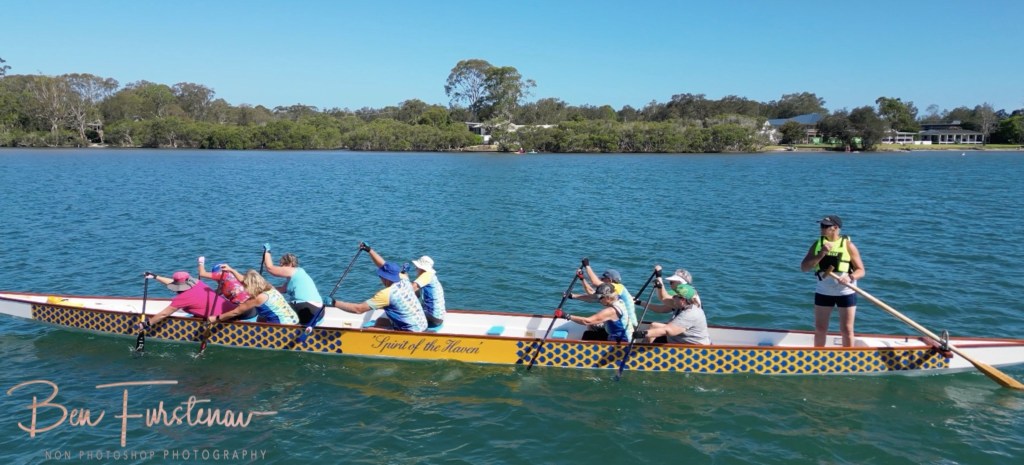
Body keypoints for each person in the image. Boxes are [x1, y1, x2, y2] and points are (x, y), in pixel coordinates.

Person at [800, 215, 866, 347]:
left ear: (835, 228)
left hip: (845, 291)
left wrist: (850, 277)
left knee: (846, 329)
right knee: (820, 329)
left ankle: (848, 358)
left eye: (825, 226)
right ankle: (818, 357)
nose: (822, 229)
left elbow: (861, 271)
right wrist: (821, 253)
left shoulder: (848, 245)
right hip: (824, 291)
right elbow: (804, 268)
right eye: (821, 226)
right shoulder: (817, 244)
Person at [327, 245, 427, 332]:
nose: (380, 278)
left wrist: (334, 303)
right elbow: (383, 265)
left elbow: (358, 309)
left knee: (368, 331)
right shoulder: (404, 278)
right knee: (380, 321)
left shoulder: (386, 294)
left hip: (411, 331)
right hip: (422, 324)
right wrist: (369, 250)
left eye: (381, 276)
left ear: (386, 278)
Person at [632, 265, 710, 345]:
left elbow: (663, 298)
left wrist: (659, 277)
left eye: (672, 282)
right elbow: (661, 309)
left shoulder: (690, 310)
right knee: (654, 326)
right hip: (680, 335)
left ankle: (642, 352)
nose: (670, 285)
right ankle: (643, 349)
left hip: (691, 346)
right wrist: (640, 302)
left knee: (654, 330)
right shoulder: (686, 300)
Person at [135, 270, 237, 329]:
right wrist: (156, 277)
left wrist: (146, 324)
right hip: (235, 309)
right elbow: (173, 282)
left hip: (224, 318)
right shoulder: (198, 283)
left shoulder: (182, 298)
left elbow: (164, 314)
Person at [209, 266, 299, 325]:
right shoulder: (270, 288)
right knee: (260, 318)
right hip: (294, 321)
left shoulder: (258, 298)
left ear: (250, 285)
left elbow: (235, 312)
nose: (244, 287)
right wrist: (232, 270)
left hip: (282, 327)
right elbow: (243, 280)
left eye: (245, 285)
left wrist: (216, 318)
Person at [262, 244, 323, 324]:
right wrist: (262, 289)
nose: (280, 267)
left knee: (268, 313)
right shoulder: (296, 278)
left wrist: (267, 252)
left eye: (282, 265)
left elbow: (270, 268)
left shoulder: (294, 270)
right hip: (318, 311)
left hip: (306, 307)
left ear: (290, 264)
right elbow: (280, 289)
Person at [574, 258, 637, 333]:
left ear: (610, 280)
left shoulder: (617, 286)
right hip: (620, 321)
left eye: (603, 279)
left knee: (591, 324)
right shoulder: (611, 292)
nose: (601, 280)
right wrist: (582, 279)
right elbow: (592, 294)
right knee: (592, 325)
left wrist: (587, 266)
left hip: (625, 327)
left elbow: (595, 282)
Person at [557, 283, 631, 342]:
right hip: (618, 334)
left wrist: (565, 315)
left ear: (608, 297)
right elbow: (592, 298)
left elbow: (587, 321)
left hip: (621, 342)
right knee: (591, 329)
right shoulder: (618, 299)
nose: (599, 300)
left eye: (600, 298)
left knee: (587, 335)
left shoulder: (611, 311)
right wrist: (571, 296)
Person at [410, 255, 446, 330]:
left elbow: (409, 290)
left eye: (417, 267)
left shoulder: (426, 276)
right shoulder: (430, 277)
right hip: (438, 317)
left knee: (402, 314)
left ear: (421, 268)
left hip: (433, 317)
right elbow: (416, 295)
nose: (415, 269)